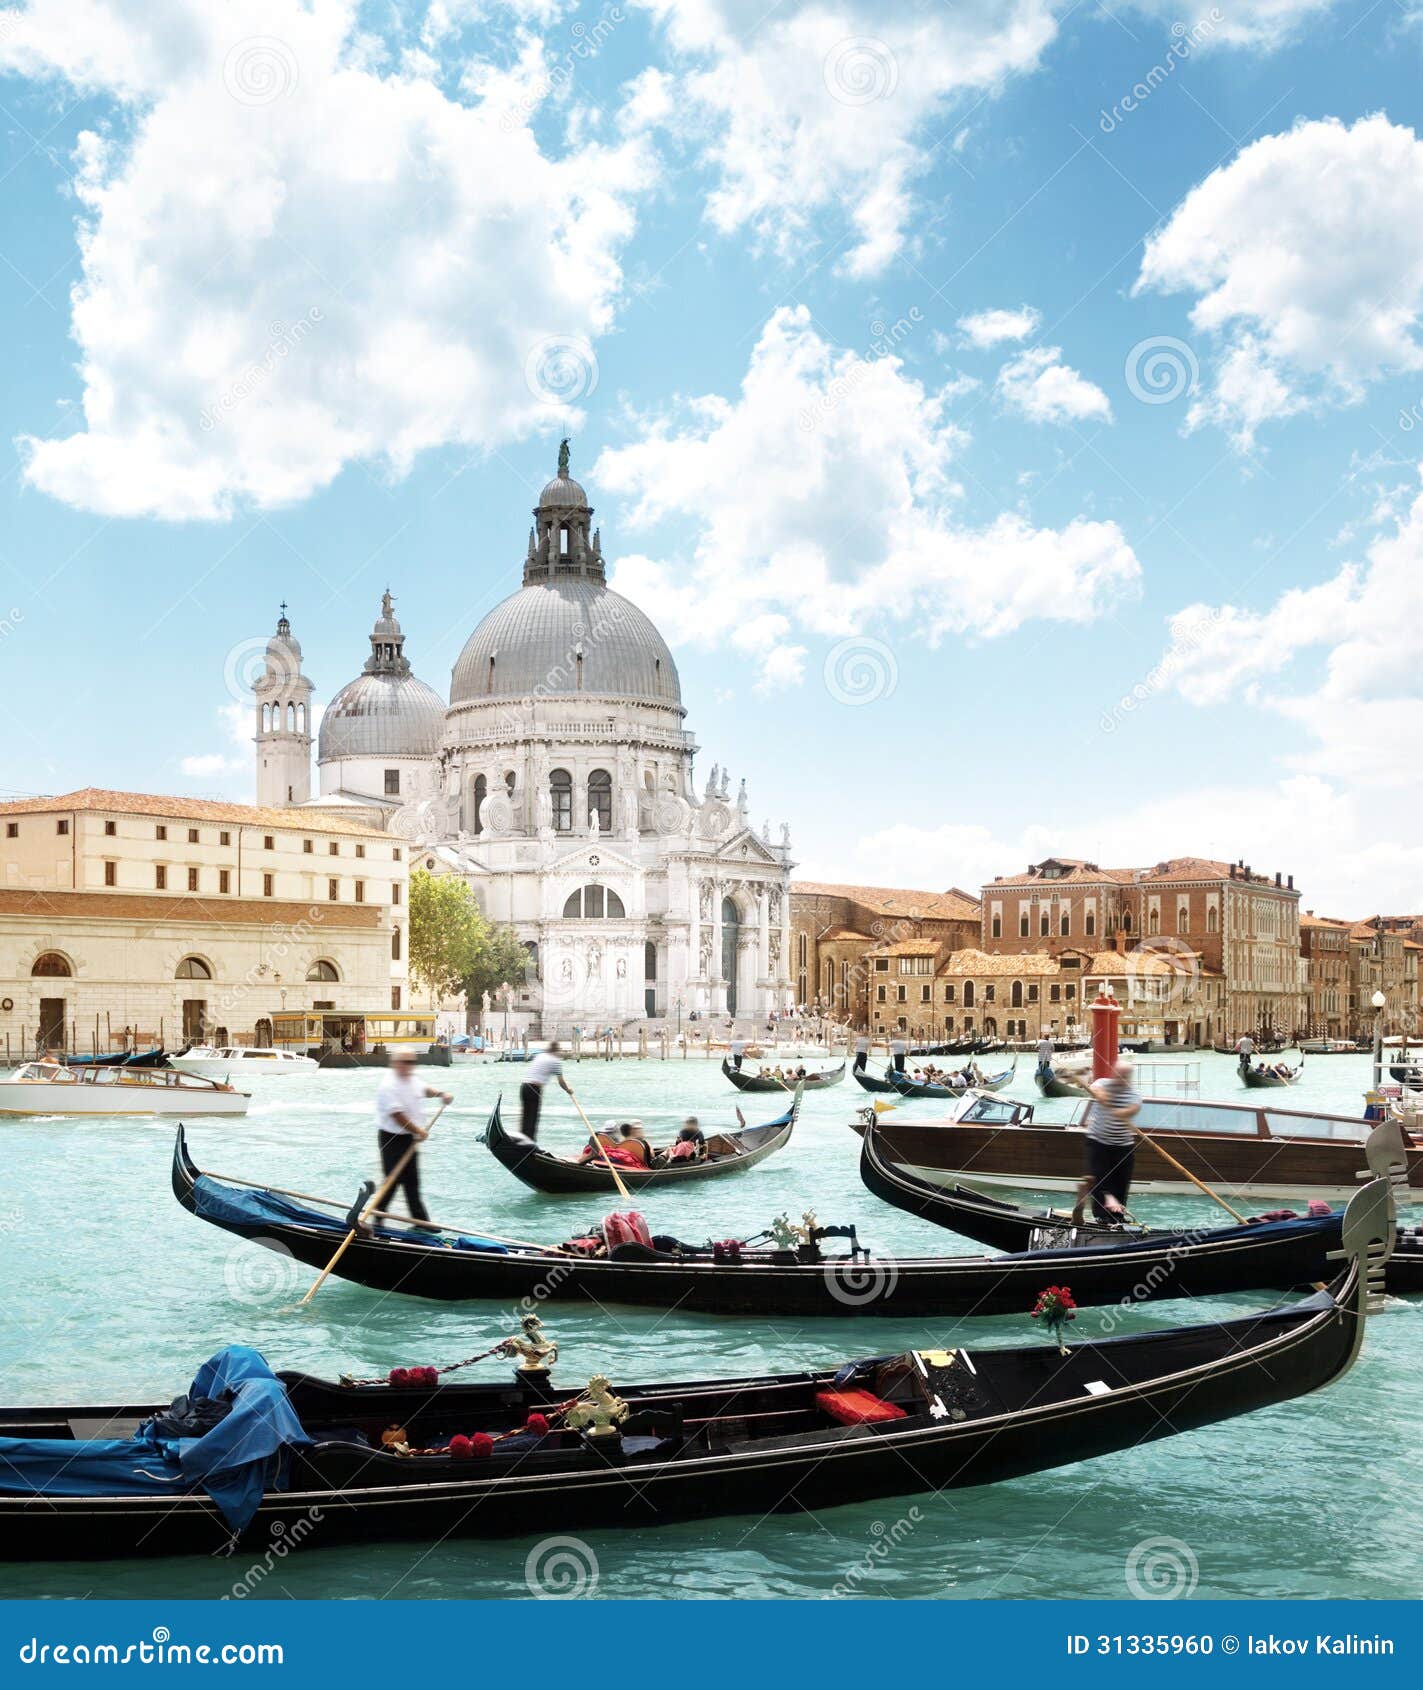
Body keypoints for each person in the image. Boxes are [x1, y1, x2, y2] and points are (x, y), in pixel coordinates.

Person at [374, 1051, 452, 1226]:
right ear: (396, 1063)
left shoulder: (411, 1079)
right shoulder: (389, 1085)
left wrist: (441, 1094)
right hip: (391, 1139)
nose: (410, 1065)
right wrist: (419, 1131)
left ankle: (421, 1223)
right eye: (406, 1062)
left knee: (412, 1181)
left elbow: (425, 1090)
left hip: (408, 1138)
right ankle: (377, 1219)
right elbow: (397, 1115)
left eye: (412, 1061)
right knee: (393, 1181)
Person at [1073, 1057, 1141, 1225]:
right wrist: (1104, 1098)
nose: (1121, 1079)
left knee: (1121, 1185)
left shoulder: (1134, 1096)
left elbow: (1130, 1110)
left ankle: (1117, 1219)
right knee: (1101, 1180)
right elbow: (1098, 1093)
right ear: (1114, 1073)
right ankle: (1102, 1218)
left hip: (1123, 1147)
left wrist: (1118, 1112)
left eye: (1125, 1076)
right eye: (1119, 1075)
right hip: (1098, 1142)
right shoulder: (1101, 1084)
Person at [520, 1040, 573, 1140]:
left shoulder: (540, 1056)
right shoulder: (556, 1061)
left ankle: (522, 1139)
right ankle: (529, 1141)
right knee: (533, 1117)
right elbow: (561, 1082)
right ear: (557, 1050)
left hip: (524, 1087)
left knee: (526, 1116)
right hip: (534, 1089)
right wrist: (568, 1090)